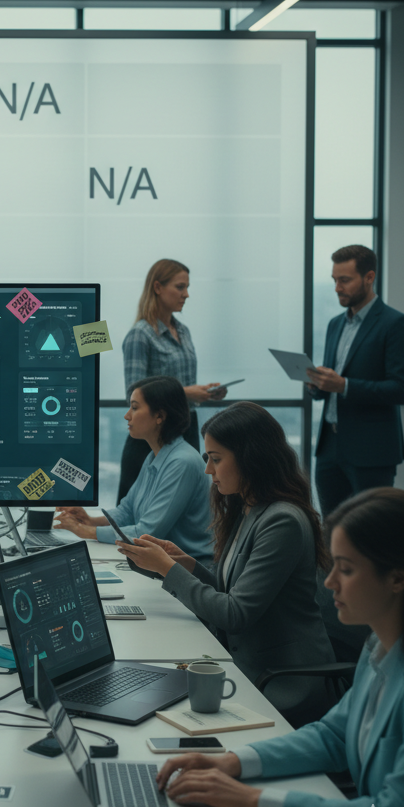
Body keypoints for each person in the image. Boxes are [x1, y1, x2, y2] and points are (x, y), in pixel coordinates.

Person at [154, 488, 404, 807]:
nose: (329, 582)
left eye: (346, 570)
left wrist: (254, 801)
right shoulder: (381, 645)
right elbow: (333, 736)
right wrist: (233, 762)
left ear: (398, 578)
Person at [117, 402, 334, 720]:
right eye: (207, 459)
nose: (208, 470)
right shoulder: (249, 507)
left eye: (216, 459)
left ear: (251, 458)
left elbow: (235, 614)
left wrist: (168, 568)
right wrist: (187, 564)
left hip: (284, 683)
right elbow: (233, 591)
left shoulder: (282, 520)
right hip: (249, 668)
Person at [307, 244, 404, 517]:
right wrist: (318, 385)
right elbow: (332, 383)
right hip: (329, 447)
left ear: (369, 277)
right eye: (334, 280)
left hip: (371, 450)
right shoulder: (335, 324)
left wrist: (343, 385)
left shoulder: (395, 324)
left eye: (344, 280)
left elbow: (401, 389)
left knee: (372, 530)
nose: (337, 288)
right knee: (331, 528)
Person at [53, 376, 211, 560]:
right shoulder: (155, 456)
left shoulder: (182, 462)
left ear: (160, 416)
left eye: (135, 408)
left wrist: (86, 531)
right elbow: (126, 511)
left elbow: (147, 532)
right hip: (164, 565)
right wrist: (90, 520)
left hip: (191, 570)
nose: (127, 415)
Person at [118, 259, 226, 502]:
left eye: (187, 287)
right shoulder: (140, 334)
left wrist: (205, 393)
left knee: (183, 506)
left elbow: (182, 385)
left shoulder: (183, 331)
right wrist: (189, 393)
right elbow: (133, 391)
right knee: (136, 511)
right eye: (180, 287)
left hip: (185, 428)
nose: (186, 294)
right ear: (157, 287)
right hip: (152, 434)